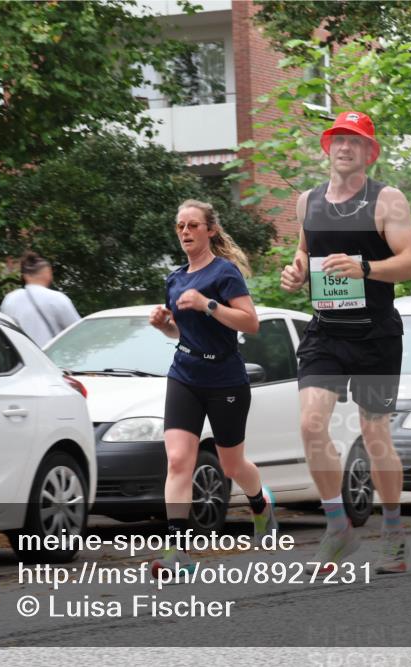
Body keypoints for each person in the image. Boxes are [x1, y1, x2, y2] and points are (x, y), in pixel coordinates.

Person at [280, 111, 411, 575]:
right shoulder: (307, 202)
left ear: (368, 152)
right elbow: (305, 251)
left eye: (355, 141)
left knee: (376, 435)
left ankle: (394, 533)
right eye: (338, 139)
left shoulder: (388, 200)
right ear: (328, 147)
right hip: (326, 331)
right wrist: (297, 269)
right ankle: (338, 527)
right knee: (310, 424)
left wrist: (366, 268)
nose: (345, 147)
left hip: (375, 334)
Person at [149, 199, 277, 576]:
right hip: (184, 374)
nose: (185, 232)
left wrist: (208, 305)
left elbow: (250, 323)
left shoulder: (225, 273)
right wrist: (164, 326)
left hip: (225, 378)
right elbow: (180, 331)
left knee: (231, 463)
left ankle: (260, 504)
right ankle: (179, 553)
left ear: (210, 230)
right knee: (177, 461)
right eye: (180, 227)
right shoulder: (175, 278)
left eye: (192, 225)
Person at [0, 251, 81, 347]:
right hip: (47, 359)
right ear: (48, 274)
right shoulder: (56, 298)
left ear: (25, 276)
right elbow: (78, 331)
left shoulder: (9, 299)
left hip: (19, 359)